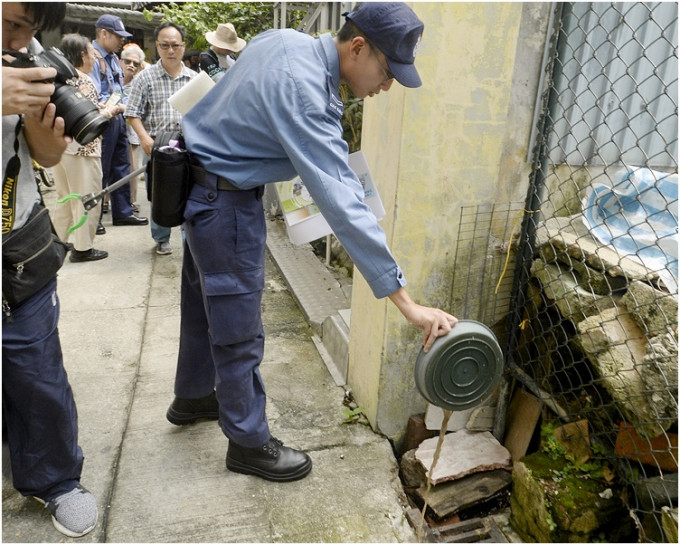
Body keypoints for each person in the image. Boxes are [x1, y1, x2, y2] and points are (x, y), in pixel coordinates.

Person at [172, 2, 457, 483]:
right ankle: (247, 442)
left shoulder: (283, 42)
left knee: (203, 306)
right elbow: (343, 203)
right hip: (227, 206)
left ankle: (195, 395)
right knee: (239, 329)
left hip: (200, 192)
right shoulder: (305, 92)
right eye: (388, 72)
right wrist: (407, 304)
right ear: (359, 47)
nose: (387, 87)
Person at [2, 2, 99, 537]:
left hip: (16, 244)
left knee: (38, 372)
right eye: (12, 22)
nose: (19, 38)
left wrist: (47, 127)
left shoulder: (23, 58)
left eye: (30, 30)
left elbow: (41, 157)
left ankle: (57, 480)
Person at [125, 22, 196, 255]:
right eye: (165, 46)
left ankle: (190, 238)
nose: (171, 50)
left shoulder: (194, 79)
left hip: (187, 145)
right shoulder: (145, 77)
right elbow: (132, 112)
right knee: (159, 193)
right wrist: (145, 139)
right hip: (157, 144)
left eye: (175, 45)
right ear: (157, 46)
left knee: (189, 191)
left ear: (183, 47)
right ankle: (161, 238)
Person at [52, 33, 112, 263]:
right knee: (88, 198)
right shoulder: (84, 80)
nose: (95, 59)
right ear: (82, 55)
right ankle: (83, 248)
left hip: (62, 150)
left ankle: (57, 244)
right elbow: (89, 119)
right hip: (84, 150)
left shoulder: (61, 79)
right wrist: (109, 111)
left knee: (65, 198)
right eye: (92, 54)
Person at [89, 14, 148, 230]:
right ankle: (93, 220)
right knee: (100, 170)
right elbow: (91, 93)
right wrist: (109, 107)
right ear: (104, 33)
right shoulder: (92, 57)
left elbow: (119, 88)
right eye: (118, 36)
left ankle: (123, 212)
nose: (121, 40)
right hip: (103, 120)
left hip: (119, 117)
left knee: (121, 166)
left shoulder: (114, 57)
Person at [121, 43, 146, 212]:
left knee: (132, 167)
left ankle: (132, 201)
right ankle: (107, 201)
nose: (131, 65)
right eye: (127, 61)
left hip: (131, 131)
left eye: (135, 63)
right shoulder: (112, 78)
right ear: (120, 61)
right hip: (111, 127)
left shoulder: (140, 83)